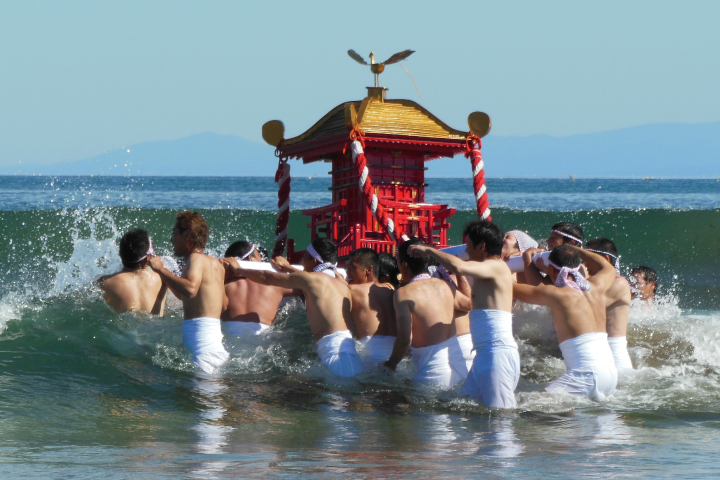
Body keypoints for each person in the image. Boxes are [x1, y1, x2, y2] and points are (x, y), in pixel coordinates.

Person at [410, 221, 519, 409]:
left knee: (502, 422)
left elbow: (459, 267)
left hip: (497, 355)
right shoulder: (487, 270)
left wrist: (430, 251)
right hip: (483, 356)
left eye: (468, 245)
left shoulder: (497, 267)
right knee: (455, 410)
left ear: (482, 247)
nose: (466, 251)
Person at [223, 238, 364, 378]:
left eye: (304, 258)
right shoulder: (342, 284)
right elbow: (309, 281)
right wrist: (287, 268)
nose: (302, 262)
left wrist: (236, 269)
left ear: (313, 261)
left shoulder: (222, 285)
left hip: (333, 357)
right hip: (353, 356)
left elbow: (268, 277)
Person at [513, 245, 618, 400]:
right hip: (610, 376)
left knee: (524, 408)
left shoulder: (558, 295)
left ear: (554, 271)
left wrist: (527, 261)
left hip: (587, 375)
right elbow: (607, 266)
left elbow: (507, 286)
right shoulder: (596, 287)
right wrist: (574, 248)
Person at [149, 212, 229, 374]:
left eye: (174, 234)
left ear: (187, 235)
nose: (171, 240)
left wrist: (161, 269)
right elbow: (223, 305)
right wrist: (168, 280)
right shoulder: (215, 263)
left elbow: (190, 289)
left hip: (202, 351)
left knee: (205, 399)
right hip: (214, 345)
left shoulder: (195, 259)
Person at [384, 238, 470, 389]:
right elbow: (467, 304)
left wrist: (390, 365)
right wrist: (459, 271)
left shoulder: (403, 293)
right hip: (461, 368)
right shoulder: (445, 285)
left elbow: (405, 340)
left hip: (433, 374)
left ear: (404, 265)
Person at [221, 241, 296, 337]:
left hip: (230, 335)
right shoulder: (274, 284)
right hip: (263, 336)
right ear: (251, 259)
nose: (262, 259)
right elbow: (307, 285)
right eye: (259, 256)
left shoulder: (221, 285)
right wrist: (288, 268)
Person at [345, 248, 397, 368]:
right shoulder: (392, 290)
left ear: (368, 270)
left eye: (352, 268)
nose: (348, 273)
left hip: (371, 357)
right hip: (399, 357)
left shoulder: (352, 290)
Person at [586, 237, 633, 370]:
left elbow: (582, 303)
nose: (584, 263)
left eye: (589, 258)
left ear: (606, 259)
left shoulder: (618, 283)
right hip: (602, 355)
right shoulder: (598, 282)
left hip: (615, 360)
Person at [97, 228, 168, 315]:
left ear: (120, 254)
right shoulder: (162, 279)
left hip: (125, 326)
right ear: (147, 259)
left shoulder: (105, 282)